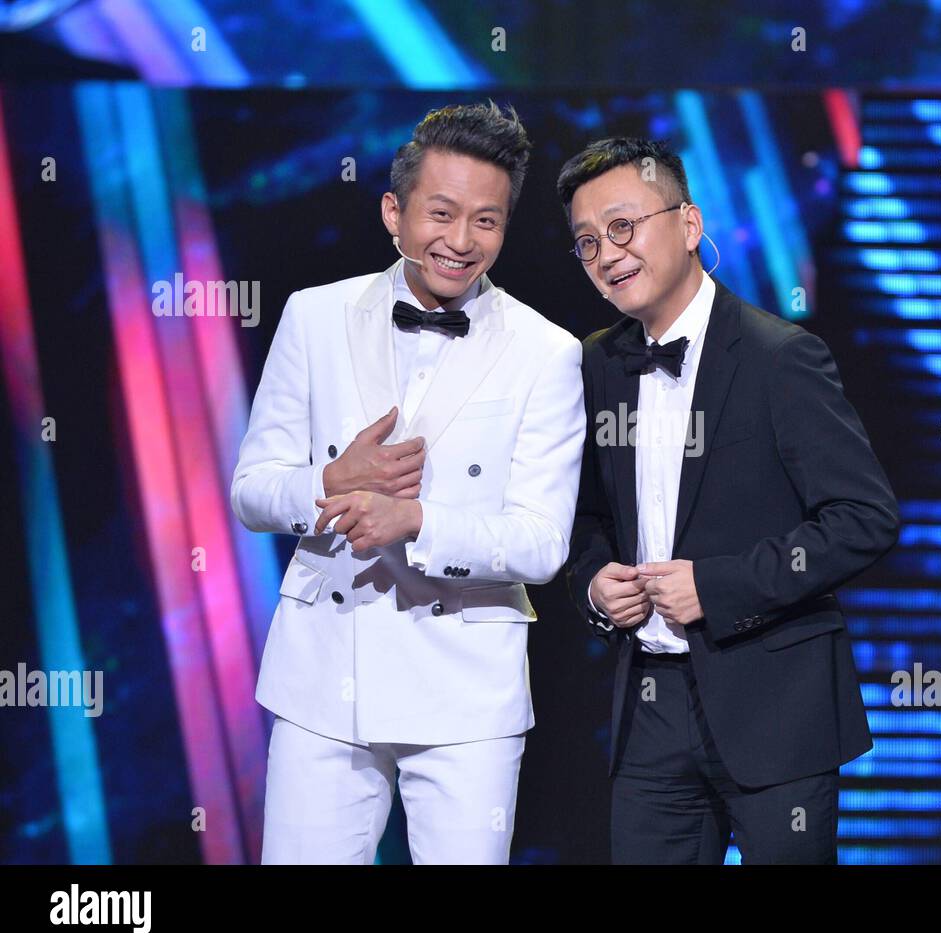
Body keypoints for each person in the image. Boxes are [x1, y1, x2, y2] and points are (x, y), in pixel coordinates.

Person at [231, 102, 584, 864]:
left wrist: (417, 521)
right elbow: (252, 489)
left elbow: (542, 542)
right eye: (441, 213)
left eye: (485, 222)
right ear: (395, 211)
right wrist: (330, 480)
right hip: (323, 672)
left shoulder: (546, 351)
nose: (460, 242)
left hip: (467, 691)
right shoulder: (314, 316)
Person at [559, 137, 900, 864]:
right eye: (586, 242)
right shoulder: (593, 365)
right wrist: (594, 584)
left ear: (688, 224)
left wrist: (714, 586)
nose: (607, 254)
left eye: (623, 227)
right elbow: (583, 517)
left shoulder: (781, 357)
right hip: (649, 710)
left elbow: (863, 519)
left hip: (777, 706)